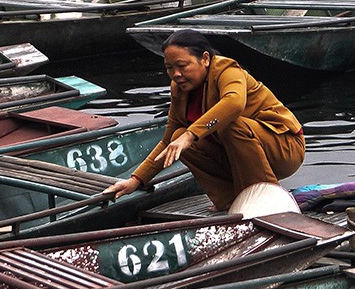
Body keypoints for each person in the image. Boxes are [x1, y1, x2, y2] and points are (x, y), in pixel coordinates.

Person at [105, 29, 305, 211]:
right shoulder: (179, 89)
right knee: (178, 136)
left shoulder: (227, 71)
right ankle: (230, 201)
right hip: (239, 154)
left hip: (284, 147)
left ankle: (266, 201)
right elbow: (168, 143)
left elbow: (234, 104)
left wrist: (191, 134)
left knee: (229, 125)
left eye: (182, 66)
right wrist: (136, 180)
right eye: (169, 68)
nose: (176, 74)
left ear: (205, 59)